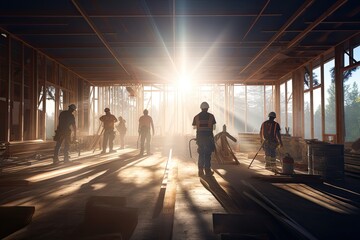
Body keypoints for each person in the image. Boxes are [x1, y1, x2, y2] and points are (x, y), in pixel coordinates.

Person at [192, 102, 217, 176]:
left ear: (201, 108)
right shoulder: (211, 116)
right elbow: (214, 128)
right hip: (208, 138)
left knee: (201, 154)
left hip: (200, 138)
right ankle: (207, 170)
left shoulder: (196, 117)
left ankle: (200, 171)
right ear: (207, 108)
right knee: (207, 154)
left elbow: (194, 127)